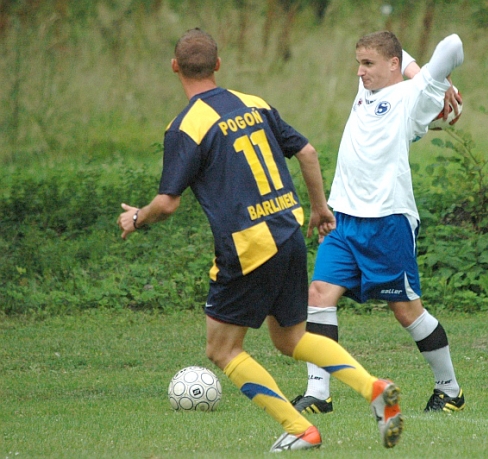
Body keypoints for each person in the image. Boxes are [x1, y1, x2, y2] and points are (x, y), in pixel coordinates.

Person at [117, 28, 403, 452]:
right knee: (289, 340)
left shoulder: (185, 127)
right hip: (287, 230)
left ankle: (299, 427)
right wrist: (320, 208)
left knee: (222, 350)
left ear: (175, 67)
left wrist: (136, 218)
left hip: (248, 246)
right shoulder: (254, 104)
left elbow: (168, 203)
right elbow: (306, 152)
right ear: (218, 66)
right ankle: (374, 388)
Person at [291, 31, 466, 415]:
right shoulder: (368, 88)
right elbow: (395, 55)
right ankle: (318, 393)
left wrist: (429, 77)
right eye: (358, 63)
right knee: (318, 295)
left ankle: (449, 389)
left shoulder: (414, 94)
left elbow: (452, 44)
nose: (360, 71)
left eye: (368, 64)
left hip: (387, 221)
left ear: (391, 66)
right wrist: (404, 62)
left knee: (407, 311)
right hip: (343, 218)